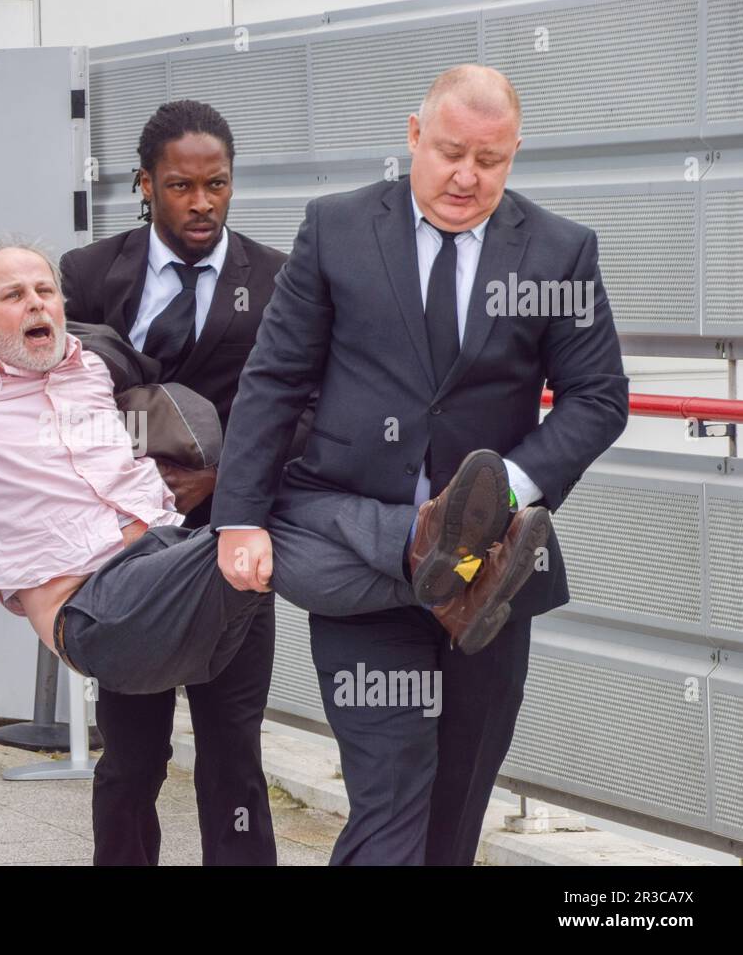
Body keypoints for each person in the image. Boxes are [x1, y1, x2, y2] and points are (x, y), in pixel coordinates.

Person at [213, 65, 630, 865]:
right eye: (449, 153)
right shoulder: (336, 229)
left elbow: (597, 398)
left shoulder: (558, 251)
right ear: (413, 135)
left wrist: (501, 491)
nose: (467, 178)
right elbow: (275, 379)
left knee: (456, 813)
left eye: (491, 160)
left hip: (488, 578)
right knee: (390, 796)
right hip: (361, 560)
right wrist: (239, 516)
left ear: (514, 155)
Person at [57, 101, 292, 866]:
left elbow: (305, 409)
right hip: (129, 561)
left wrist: (221, 481)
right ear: (145, 185)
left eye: (217, 184)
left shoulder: (280, 280)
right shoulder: (88, 276)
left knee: (234, 755)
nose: (202, 203)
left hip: (236, 545)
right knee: (130, 762)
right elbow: (54, 403)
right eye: (182, 186)